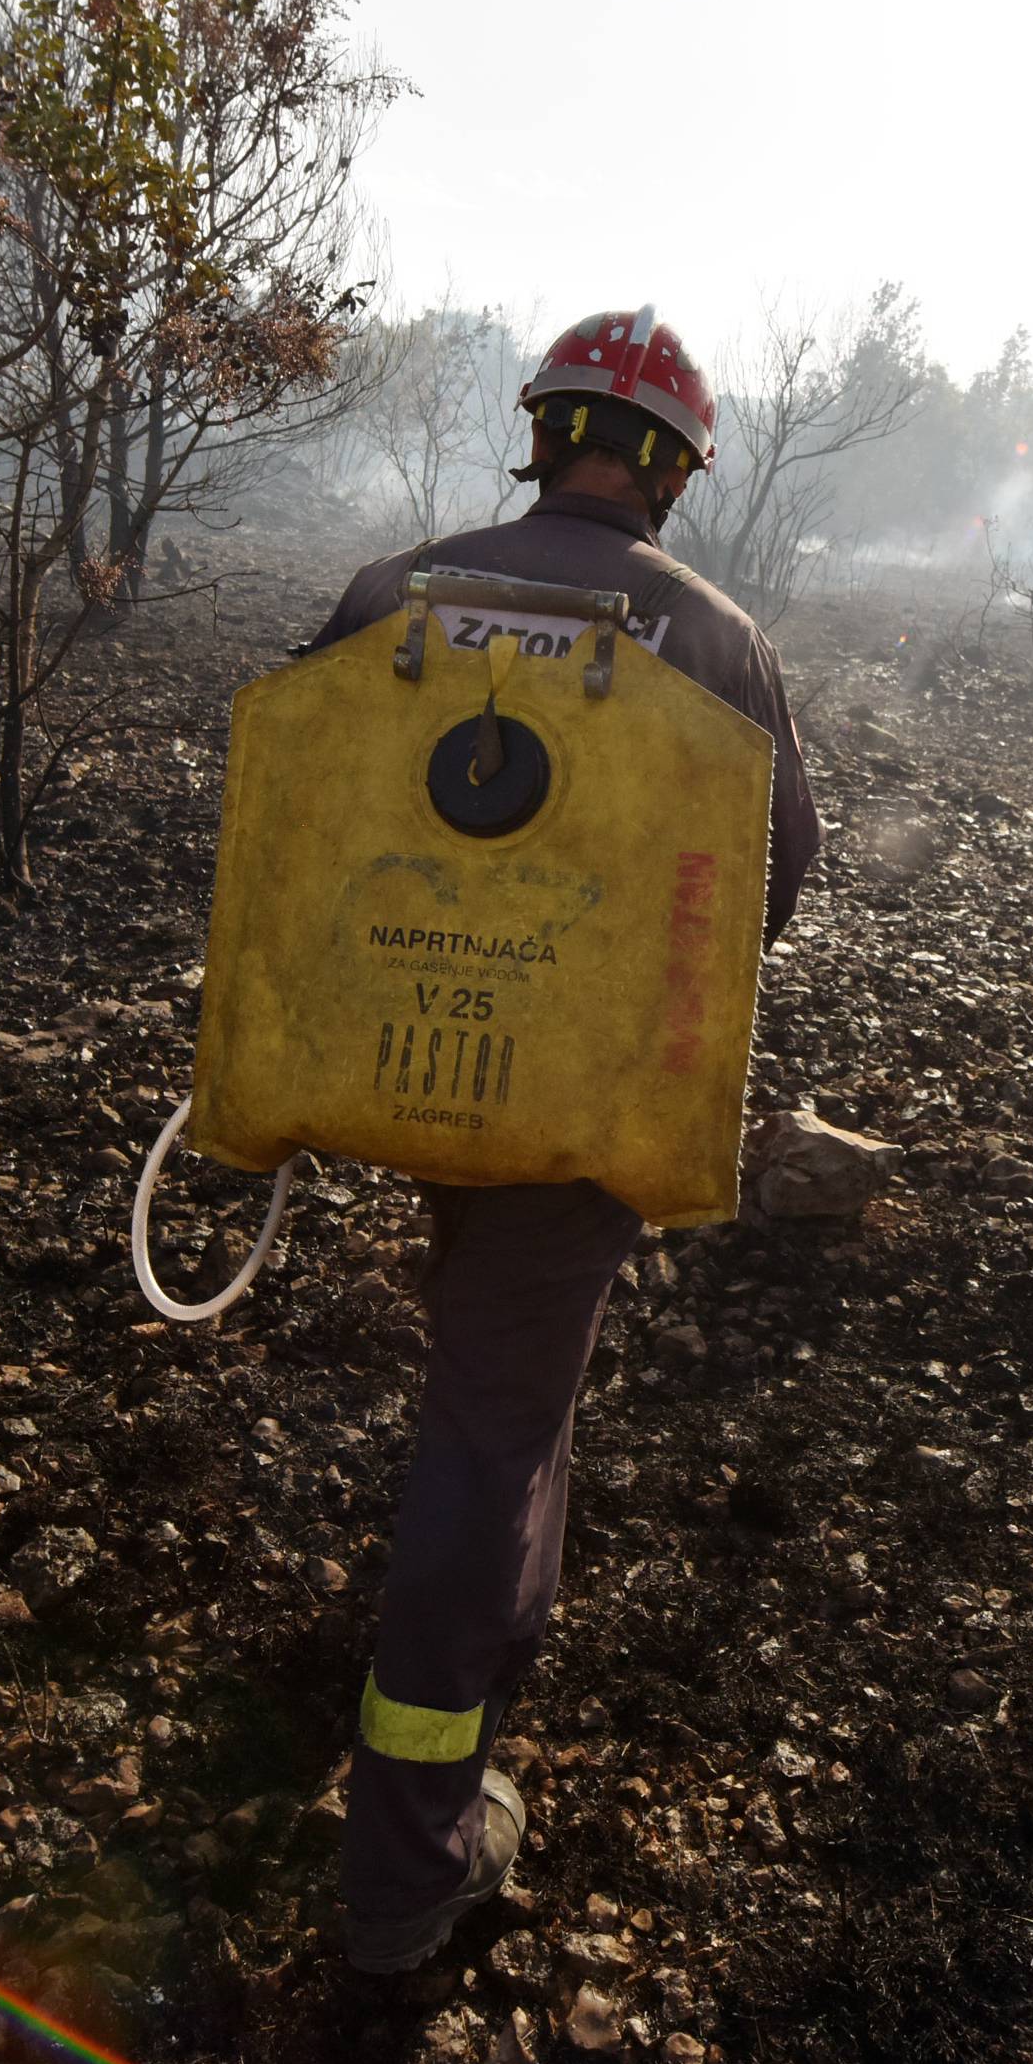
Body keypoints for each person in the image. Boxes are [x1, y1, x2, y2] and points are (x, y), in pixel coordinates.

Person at [307, 306, 819, 1972]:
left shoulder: (397, 590)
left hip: (395, 1067)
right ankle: (407, 1869)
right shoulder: (717, 641)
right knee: (492, 1430)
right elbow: (770, 890)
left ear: (542, 434)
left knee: (495, 1395)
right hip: (577, 1109)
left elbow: (300, 806)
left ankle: (483, 1606)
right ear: (673, 471)